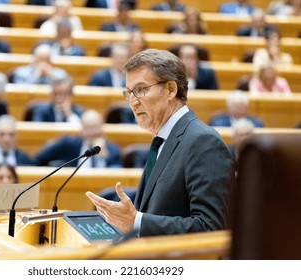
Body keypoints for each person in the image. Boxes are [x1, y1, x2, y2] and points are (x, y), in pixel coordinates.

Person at [85, 49, 235, 236]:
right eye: (129, 92)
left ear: (170, 90)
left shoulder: (203, 142)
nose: (132, 102)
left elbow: (211, 228)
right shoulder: (163, 140)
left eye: (140, 90)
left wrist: (137, 222)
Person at [34, 109, 122, 168]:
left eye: (95, 127)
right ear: (82, 129)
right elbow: (40, 158)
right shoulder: (69, 144)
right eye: (88, 128)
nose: (92, 132)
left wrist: (103, 156)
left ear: (102, 127)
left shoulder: (113, 150)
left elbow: (116, 177)